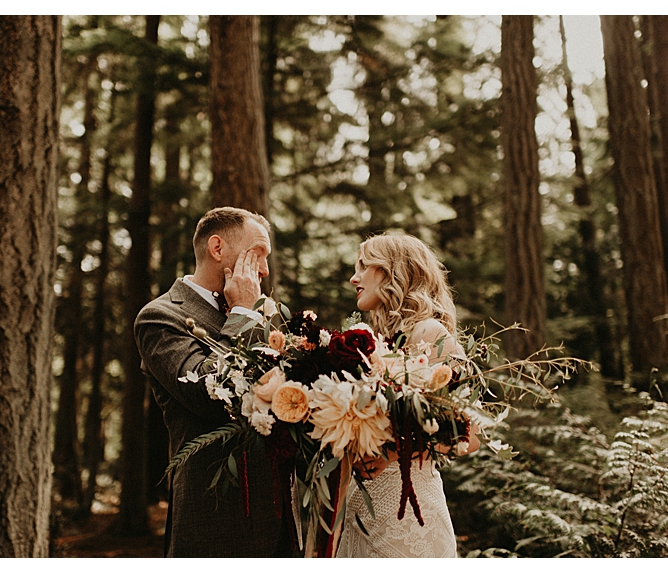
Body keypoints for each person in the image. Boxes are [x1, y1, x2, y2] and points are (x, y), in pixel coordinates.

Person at [135, 207, 297, 557]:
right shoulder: (161, 317)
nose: (265, 270)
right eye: (258, 254)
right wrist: (243, 314)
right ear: (217, 248)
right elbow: (210, 392)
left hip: (280, 520)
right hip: (215, 516)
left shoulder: (263, 314)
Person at [334, 233, 467, 558]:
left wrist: (391, 456)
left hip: (408, 514)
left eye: (364, 265)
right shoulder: (377, 342)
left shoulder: (432, 334)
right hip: (362, 510)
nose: (354, 277)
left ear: (394, 271)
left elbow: (468, 436)